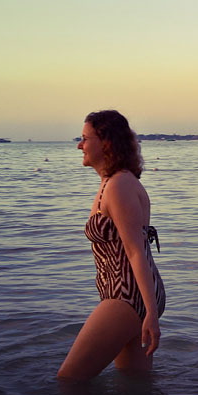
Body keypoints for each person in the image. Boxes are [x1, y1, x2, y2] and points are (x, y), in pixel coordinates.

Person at [58, 110, 166, 381]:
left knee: (69, 381)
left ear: (105, 142)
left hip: (127, 296)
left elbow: (135, 250)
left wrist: (151, 314)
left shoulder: (119, 185)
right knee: (134, 387)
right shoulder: (113, 182)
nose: (79, 145)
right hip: (130, 295)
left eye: (85, 138)